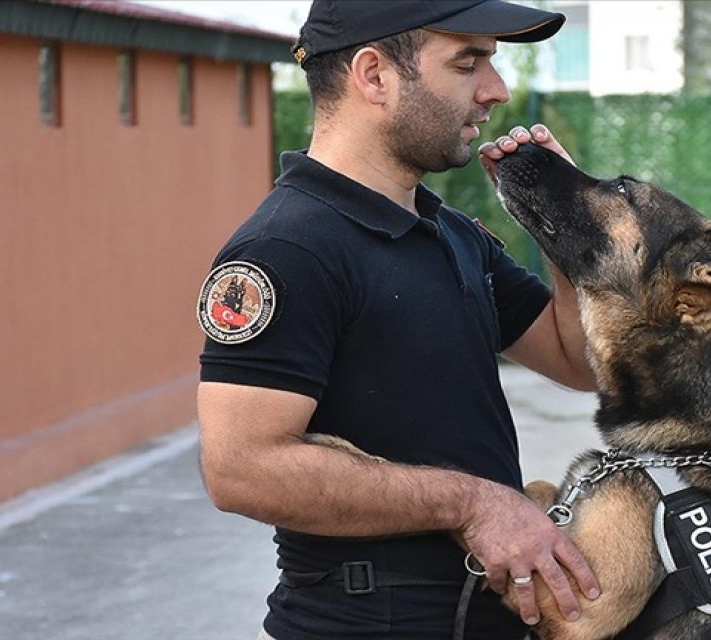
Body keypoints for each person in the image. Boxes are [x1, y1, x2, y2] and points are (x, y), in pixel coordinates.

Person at [194, 2, 600, 638]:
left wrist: (567, 221)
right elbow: (240, 468)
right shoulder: (286, 249)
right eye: (468, 62)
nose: (497, 91)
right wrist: (474, 502)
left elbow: (579, 361)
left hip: (478, 616)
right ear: (374, 75)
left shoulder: (450, 232)